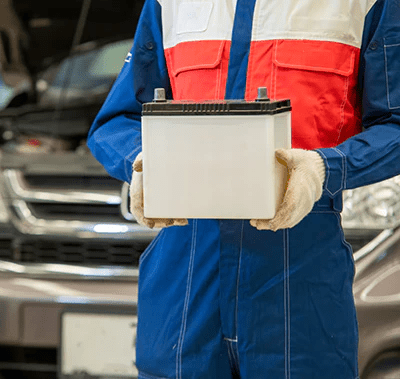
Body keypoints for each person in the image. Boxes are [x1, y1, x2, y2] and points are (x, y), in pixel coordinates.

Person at [87, 1, 400, 378]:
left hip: (298, 279)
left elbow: (394, 124)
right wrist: (142, 161)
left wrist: (324, 167)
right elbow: (116, 120)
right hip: (184, 278)